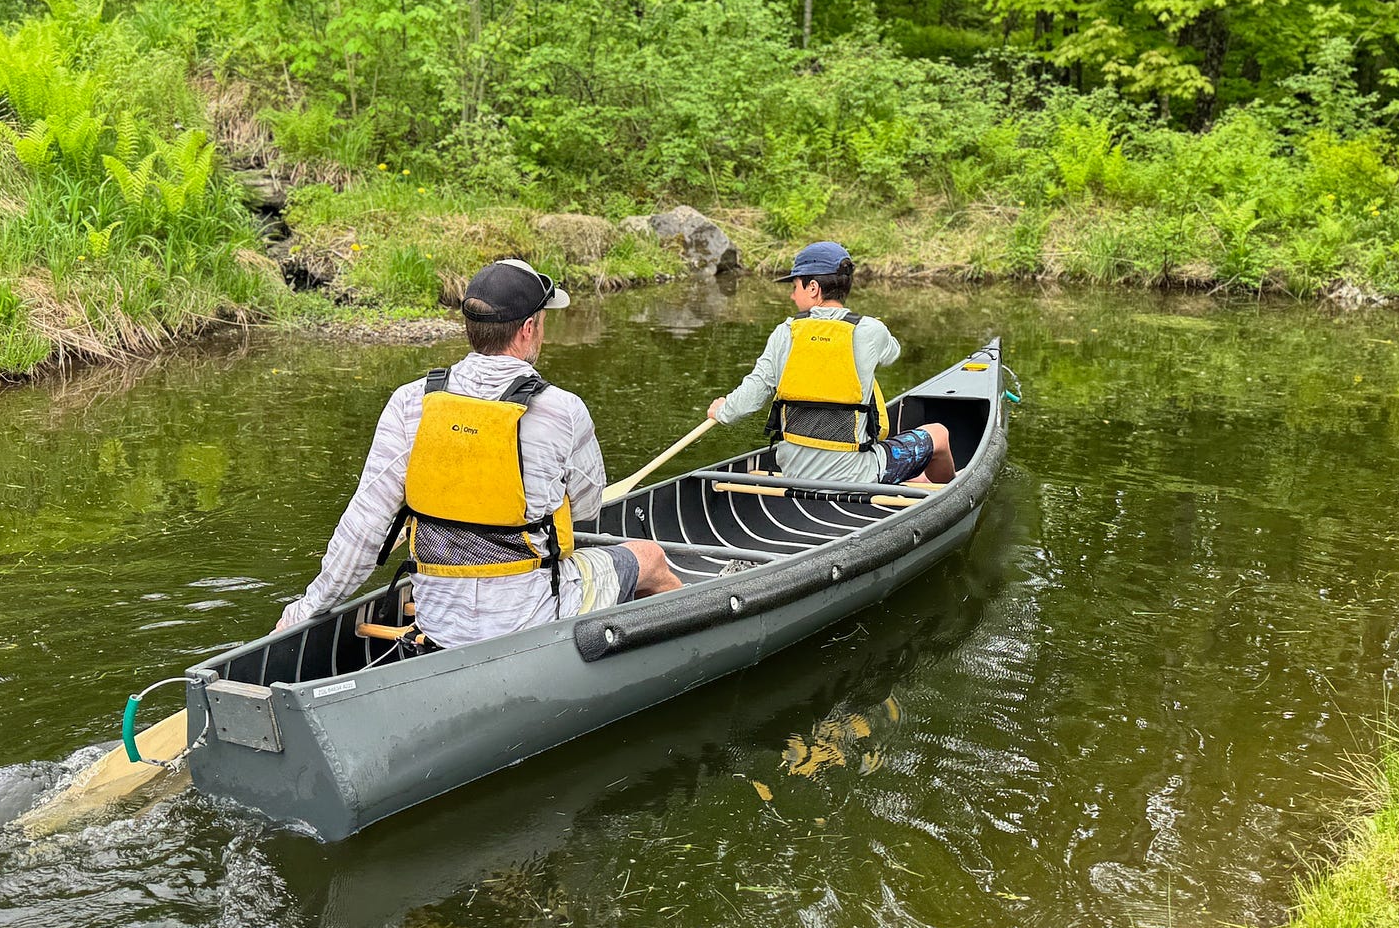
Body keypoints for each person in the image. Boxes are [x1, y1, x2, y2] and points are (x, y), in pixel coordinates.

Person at [275, 258, 681, 647]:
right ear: (526, 329)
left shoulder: (411, 402)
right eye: (542, 323)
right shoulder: (563, 410)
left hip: (437, 619)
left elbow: (362, 530)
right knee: (649, 557)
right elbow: (587, 506)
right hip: (531, 616)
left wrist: (305, 609)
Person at [705, 240, 955, 486]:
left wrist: (723, 410)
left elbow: (752, 393)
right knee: (940, 434)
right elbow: (892, 353)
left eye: (795, 287)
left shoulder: (786, 332)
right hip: (855, 477)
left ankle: (921, 481)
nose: (792, 296)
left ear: (813, 287)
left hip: (793, 472)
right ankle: (940, 489)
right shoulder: (871, 329)